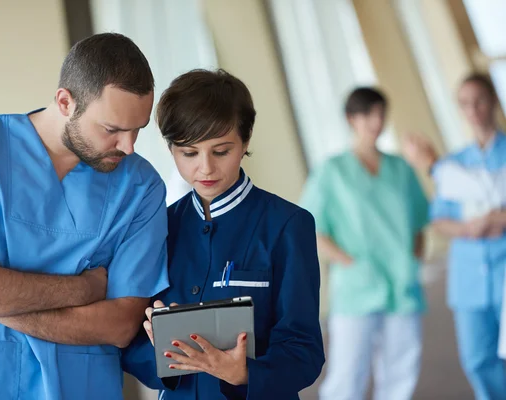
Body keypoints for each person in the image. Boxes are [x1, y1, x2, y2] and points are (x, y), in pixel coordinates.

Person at [0, 33, 169, 400]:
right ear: (65, 102)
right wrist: (84, 289)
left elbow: (120, 325)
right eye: (112, 130)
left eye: (137, 130)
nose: (128, 146)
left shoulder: (141, 188)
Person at [115, 69, 324, 399]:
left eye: (221, 151)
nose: (206, 168)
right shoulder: (157, 228)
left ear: (245, 142)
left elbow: (304, 348)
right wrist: (160, 353)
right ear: (171, 149)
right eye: (189, 153)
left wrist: (245, 373)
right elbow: (128, 341)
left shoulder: (288, 225)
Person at [301, 87, 429, 400]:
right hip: (357, 286)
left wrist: (413, 260)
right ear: (351, 119)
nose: (377, 120)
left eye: (381, 113)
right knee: (347, 372)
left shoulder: (400, 169)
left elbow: (419, 221)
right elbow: (311, 230)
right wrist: (351, 264)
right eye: (368, 113)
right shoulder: (332, 172)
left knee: (402, 369)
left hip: (401, 283)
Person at [404, 73, 506, 400]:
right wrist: (468, 229)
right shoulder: (453, 164)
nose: (473, 109)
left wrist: (498, 219)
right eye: (465, 103)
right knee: (477, 358)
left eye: (479, 100)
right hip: (470, 277)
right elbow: (440, 219)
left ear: (493, 101)